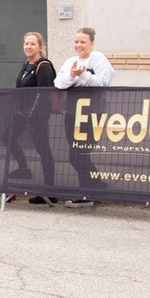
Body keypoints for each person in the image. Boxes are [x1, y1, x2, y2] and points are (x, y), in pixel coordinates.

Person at [54, 27, 115, 208]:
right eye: (76, 42)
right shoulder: (71, 61)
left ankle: (87, 193)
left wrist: (83, 75)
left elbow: (102, 81)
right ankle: (96, 185)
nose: (79, 45)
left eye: (83, 42)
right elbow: (59, 83)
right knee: (75, 154)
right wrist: (73, 76)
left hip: (93, 115)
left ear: (92, 43)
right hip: (73, 114)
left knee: (80, 153)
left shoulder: (98, 59)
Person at [6, 32, 58, 205]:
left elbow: (42, 94)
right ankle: (23, 168)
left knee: (43, 150)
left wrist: (33, 117)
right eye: (26, 43)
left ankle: (50, 191)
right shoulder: (26, 64)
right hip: (22, 114)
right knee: (7, 136)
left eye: (33, 44)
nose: (29, 47)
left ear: (40, 47)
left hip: (38, 116)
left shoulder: (43, 66)